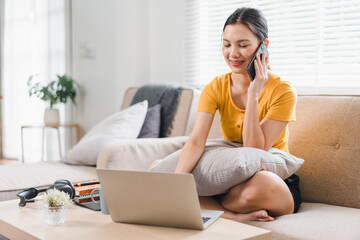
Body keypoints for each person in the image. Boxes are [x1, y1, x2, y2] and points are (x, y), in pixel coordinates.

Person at [152, 7, 302, 222]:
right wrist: (178, 184)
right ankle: (230, 215)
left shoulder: (283, 91)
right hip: (229, 176)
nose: (233, 53)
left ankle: (210, 208)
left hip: (271, 179)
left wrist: (253, 96)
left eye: (243, 45)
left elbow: (255, 151)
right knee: (157, 168)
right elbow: (196, 142)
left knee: (261, 184)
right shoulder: (215, 87)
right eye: (227, 44)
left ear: (263, 46)